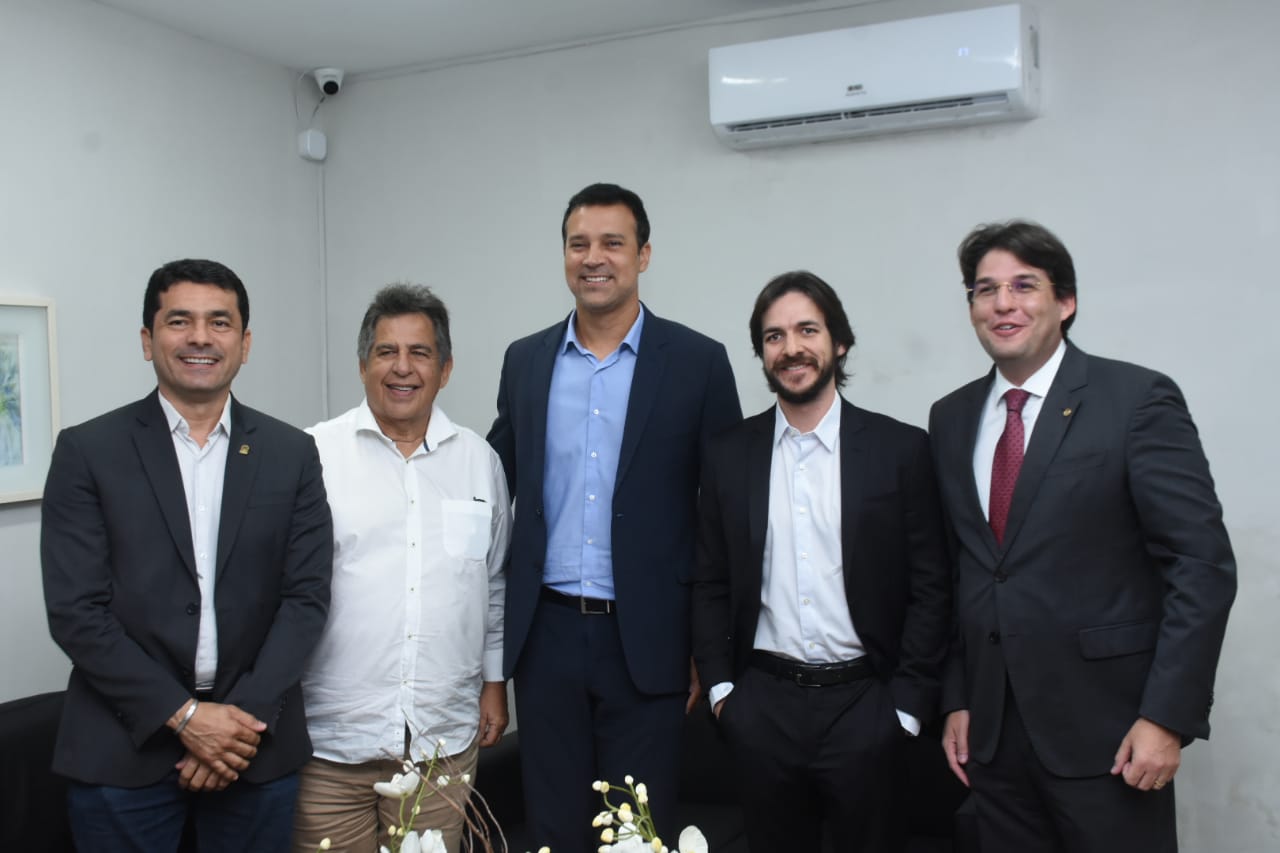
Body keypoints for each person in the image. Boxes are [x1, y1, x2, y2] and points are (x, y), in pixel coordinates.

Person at [930, 221, 1237, 852]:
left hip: (1112, 735)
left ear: (1065, 301)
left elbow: (1200, 565)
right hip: (993, 739)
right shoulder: (951, 417)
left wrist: (1165, 717)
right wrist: (957, 698)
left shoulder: (1136, 399)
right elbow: (964, 567)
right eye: (985, 290)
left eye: (1024, 286)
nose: (1003, 304)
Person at [41, 259, 334, 852]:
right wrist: (187, 718)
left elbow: (305, 599)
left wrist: (236, 727)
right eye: (179, 321)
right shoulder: (88, 451)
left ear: (244, 344)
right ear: (147, 339)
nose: (200, 337)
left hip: (254, 747)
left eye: (219, 322)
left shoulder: (292, 453)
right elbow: (76, 610)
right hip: (123, 750)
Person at [487, 182, 742, 852]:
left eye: (612, 243)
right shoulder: (526, 360)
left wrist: (709, 646)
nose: (593, 258)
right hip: (545, 636)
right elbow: (492, 477)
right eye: (579, 244)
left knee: (637, 831)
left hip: (650, 639)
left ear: (643, 255)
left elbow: (725, 516)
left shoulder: (698, 363)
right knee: (553, 829)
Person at [692, 271, 950, 852]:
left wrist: (906, 708)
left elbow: (932, 586)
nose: (791, 348)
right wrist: (723, 693)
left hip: (867, 703)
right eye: (774, 336)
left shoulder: (900, 450)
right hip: (762, 705)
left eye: (807, 330)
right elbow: (709, 580)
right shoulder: (728, 455)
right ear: (762, 353)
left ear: (840, 342)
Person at [293, 284, 511, 853]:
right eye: (386, 351)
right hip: (332, 740)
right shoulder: (313, 455)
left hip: (442, 740)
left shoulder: (480, 462)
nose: (402, 368)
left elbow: (492, 583)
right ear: (362, 364)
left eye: (420, 353)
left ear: (445, 369)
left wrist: (494, 683)